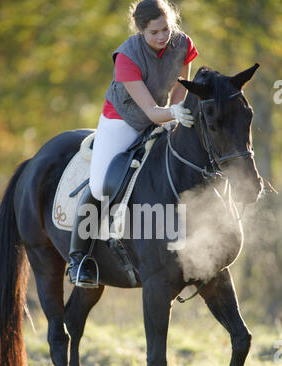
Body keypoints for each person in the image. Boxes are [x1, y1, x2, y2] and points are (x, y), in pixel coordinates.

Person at [67, 0, 198, 287]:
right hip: (123, 120)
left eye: (166, 28)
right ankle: (79, 259)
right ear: (140, 31)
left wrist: (177, 113)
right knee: (101, 185)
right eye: (154, 33)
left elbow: (180, 88)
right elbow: (149, 112)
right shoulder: (127, 56)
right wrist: (172, 114)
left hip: (162, 115)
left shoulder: (183, 44)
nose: (163, 37)